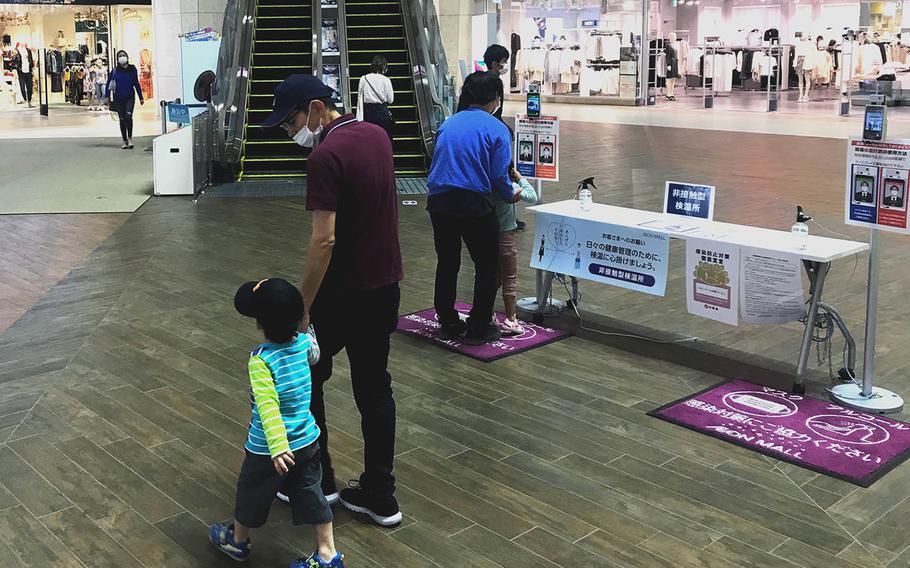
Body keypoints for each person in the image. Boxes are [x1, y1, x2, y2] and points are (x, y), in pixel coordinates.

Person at [261, 74, 404, 527]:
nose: (290, 133)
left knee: (309, 377)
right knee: (374, 386)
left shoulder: (324, 157)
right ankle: (382, 496)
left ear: (318, 109)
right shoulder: (378, 136)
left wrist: (302, 306)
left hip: (341, 295)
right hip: (385, 286)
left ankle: (317, 479)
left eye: (292, 122)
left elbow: (324, 242)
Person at [209, 278, 344, 568]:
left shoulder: (261, 360)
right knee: (311, 492)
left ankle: (237, 540)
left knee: (252, 492)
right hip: (307, 439)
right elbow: (315, 354)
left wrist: (278, 445)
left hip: (268, 448)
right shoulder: (305, 345)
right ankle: (328, 553)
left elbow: (267, 405)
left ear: (259, 324)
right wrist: (307, 327)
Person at [427, 71, 520, 345]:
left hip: (439, 200)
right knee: (487, 265)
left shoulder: (448, 123)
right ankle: (479, 325)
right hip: (473, 203)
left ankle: (447, 320)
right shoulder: (496, 128)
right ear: (495, 98)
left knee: (447, 263)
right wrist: (511, 195)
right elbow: (498, 177)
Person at [496, 166, 537, 334]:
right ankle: (511, 319)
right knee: (509, 279)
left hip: (487, 234)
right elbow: (533, 196)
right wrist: (520, 178)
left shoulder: (486, 185)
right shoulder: (510, 187)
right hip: (506, 236)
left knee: (490, 276)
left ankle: (487, 315)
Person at [107, 50, 144, 149]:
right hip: (118, 98)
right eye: (120, 56)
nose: (122, 57)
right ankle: (124, 140)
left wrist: (141, 97)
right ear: (117, 59)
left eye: (124, 55)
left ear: (127, 57)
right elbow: (109, 84)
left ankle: (130, 138)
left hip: (129, 97)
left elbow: (136, 83)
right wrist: (107, 97)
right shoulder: (115, 71)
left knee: (128, 117)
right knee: (122, 119)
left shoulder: (132, 69)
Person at [357, 55, 395, 141]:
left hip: (368, 113)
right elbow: (391, 100)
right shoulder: (386, 80)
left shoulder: (364, 78)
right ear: (384, 66)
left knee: (370, 140)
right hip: (382, 113)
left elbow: (359, 98)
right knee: (384, 139)